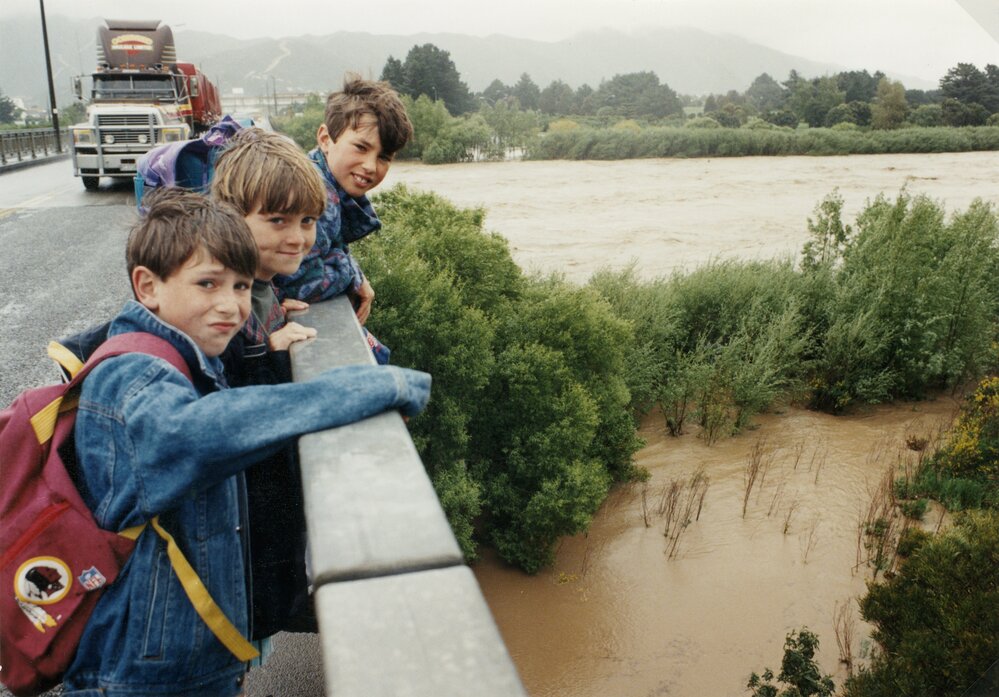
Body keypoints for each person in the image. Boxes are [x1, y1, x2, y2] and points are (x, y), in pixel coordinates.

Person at [62, 188, 431, 697]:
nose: (230, 306)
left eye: (240, 286)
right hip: (146, 673)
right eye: (207, 283)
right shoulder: (131, 377)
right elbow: (200, 431)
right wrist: (368, 388)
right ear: (147, 286)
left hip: (191, 653)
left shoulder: (187, 353)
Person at [273, 76, 413, 329]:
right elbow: (297, 283)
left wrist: (348, 267)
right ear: (325, 139)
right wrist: (351, 274)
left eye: (383, 157)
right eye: (361, 147)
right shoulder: (316, 198)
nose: (371, 166)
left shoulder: (315, 173)